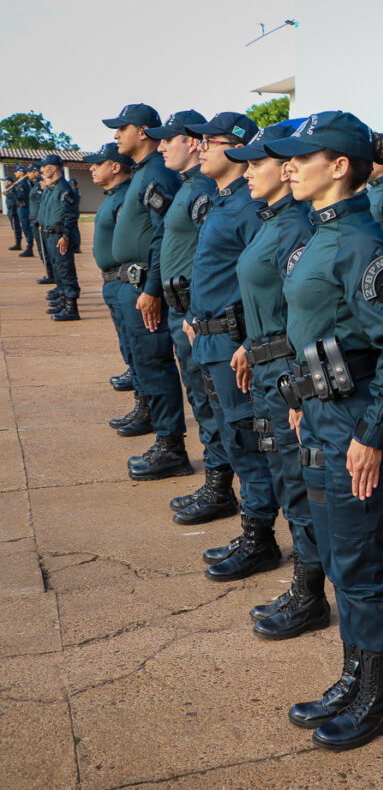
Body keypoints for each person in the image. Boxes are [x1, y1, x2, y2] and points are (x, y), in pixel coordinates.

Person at [266, 110, 383, 750]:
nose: (288, 166)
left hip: (356, 423)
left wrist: (373, 433)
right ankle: (354, 675)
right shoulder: (317, 236)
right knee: (334, 554)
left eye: (301, 158)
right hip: (321, 413)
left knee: (359, 562)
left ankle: (380, 699)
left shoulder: (361, 243)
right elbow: (322, 332)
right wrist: (302, 396)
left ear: (339, 166)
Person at [225, 123, 325, 637]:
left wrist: (300, 388)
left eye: (255, 164)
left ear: (286, 170)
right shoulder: (271, 222)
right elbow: (270, 301)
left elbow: (308, 316)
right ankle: (303, 585)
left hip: (287, 370)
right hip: (265, 365)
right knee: (287, 479)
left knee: (299, 483)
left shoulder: (294, 229)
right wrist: (249, 342)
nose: (246, 173)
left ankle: (310, 595)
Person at [178, 112, 283, 582]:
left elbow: (263, 281)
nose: (199, 148)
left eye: (210, 142)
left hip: (232, 343)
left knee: (246, 440)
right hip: (210, 337)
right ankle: (252, 528)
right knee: (231, 438)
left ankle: (260, 539)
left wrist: (244, 339)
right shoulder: (224, 201)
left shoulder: (248, 207)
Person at [147, 110, 236, 525]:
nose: (162, 146)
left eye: (170, 139)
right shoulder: (189, 188)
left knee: (211, 404)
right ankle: (215, 483)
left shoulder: (202, 190)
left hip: (195, 317)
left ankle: (220, 489)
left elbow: (213, 259)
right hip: (186, 314)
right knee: (202, 402)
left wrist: (194, 313)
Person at [104, 103, 191, 480]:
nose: (115, 135)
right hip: (131, 284)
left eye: (121, 128)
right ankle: (162, 436)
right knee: (144, 363)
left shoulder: (158, 173)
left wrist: (153, 287)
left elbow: (164, 237)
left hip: (145, 287)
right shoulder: (145, 172)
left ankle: (171, 447)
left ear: (142, 132)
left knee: (155, 367)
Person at [83, 144, 138, 417]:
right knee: (128, 345)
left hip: (123, 280)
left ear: (116, 167)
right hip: (113, 281)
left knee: (139, 351)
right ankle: (141, 396)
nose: (92, 168)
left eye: (98, 163)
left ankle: (145, 407)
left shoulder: (126, 197)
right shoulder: (113, 195)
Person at [37, 154, 82, 321]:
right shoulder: (54, 188)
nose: (41, 169)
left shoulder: (63, 189)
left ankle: (71, 308)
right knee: (58, 269)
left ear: (53, 168)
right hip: (51, 234)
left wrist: (66, 235)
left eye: (44, 166)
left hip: (59, 235)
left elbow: (71, 215)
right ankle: (64, 302)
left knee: (65, 269)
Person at [8, 165, 34, 256]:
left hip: (23, 207)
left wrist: (13, 193)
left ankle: (29, 247)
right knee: (24, 227)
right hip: (21, 207)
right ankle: (28, 246)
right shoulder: (21, 182)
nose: (15, 173)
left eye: (17, 171)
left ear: (22, 172)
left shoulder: (22, 183)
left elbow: (21, 196)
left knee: (26, 227)